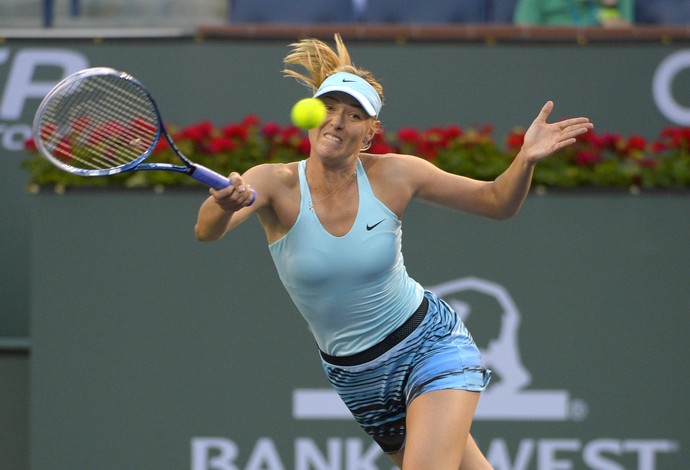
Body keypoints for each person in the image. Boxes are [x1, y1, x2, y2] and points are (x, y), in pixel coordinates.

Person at [195, 34, 593, 469]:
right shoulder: (272, 182)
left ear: (370, 132)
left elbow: (497, 202)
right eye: (329, 108)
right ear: (311, 116)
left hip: (428, 344)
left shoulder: (396, 175)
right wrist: (221, 205)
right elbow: (206, 232)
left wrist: (526, 159)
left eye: (354, 115)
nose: (337, 122)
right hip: (356, 377)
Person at [514, 0, 634, 27]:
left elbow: (627, 40)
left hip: (601, 62)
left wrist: (609, 8)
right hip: (550, 60)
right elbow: (524, 31)